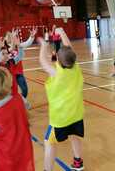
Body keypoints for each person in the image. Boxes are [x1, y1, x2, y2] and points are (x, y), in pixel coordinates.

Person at [38, 27, 84, 171]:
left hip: (60, 119)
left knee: (49, 142)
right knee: (75, 136)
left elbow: (43, 61)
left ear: (58, 59)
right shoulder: (75, 67)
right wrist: (62, 32)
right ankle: (78, 163)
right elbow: (69, 48)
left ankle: (47, 169)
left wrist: (44, 46)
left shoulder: (56, 73)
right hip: (76, 115)